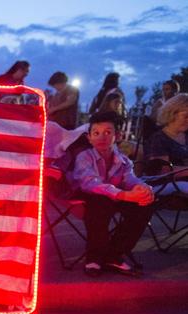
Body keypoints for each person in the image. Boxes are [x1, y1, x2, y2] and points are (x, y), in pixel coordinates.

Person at [69, 111, 155, 277]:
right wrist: (123, 195)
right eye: (96, 133)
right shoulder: (84, 157)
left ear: (118, 135)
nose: (102, 137)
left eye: (108, 132)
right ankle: (94, 257)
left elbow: (130, 179)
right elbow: (89, 183)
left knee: (144, 206)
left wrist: (143, 189)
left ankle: (114, 255)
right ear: (89, 137)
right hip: (87, 196)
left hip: (115, 195)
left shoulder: (122, 160)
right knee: (100, 202)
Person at [145, 93, 188, 174]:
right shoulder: (159, 139)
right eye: (185, 116)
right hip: (167, 183)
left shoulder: (186, 136)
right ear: (172, 113)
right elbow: (163, 170)